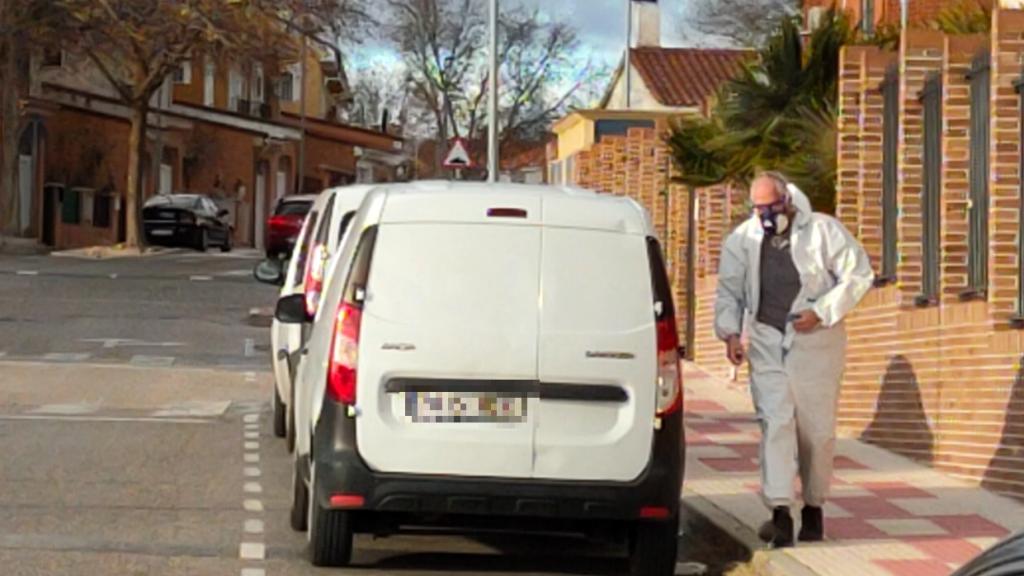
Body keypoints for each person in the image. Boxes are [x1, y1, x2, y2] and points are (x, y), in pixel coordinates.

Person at [713, 172, 874, 548]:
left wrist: (821, 311)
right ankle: (780, 513)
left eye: (772, 207)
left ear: (786, 200)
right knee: (776, 422)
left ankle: (814, 506)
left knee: (816, 431)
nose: (766, 216)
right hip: (767, 339)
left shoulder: (823, 231)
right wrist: (731, 333)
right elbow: (729, 291)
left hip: (816, 342)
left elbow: (858, 274)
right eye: (759, 208)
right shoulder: (743, 239)